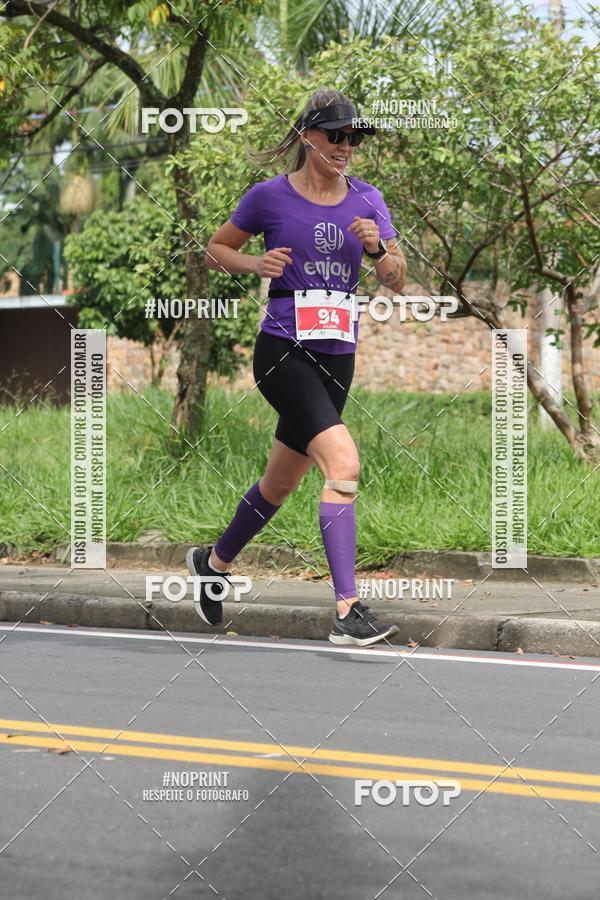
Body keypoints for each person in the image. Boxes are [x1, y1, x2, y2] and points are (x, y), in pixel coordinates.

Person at [187, 86, 407, 646]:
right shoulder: (268, 197)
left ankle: (213, 563)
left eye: (354, 137)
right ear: (308, 137)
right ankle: (347, 610)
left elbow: (396, 279)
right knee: (343, 462)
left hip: (339, 355)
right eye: (337, 135)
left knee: (281, 482)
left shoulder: (368, 199)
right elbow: (216, 249)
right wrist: (255, 262)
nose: (347, 146)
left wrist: (379, 250)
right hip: (282, 350)